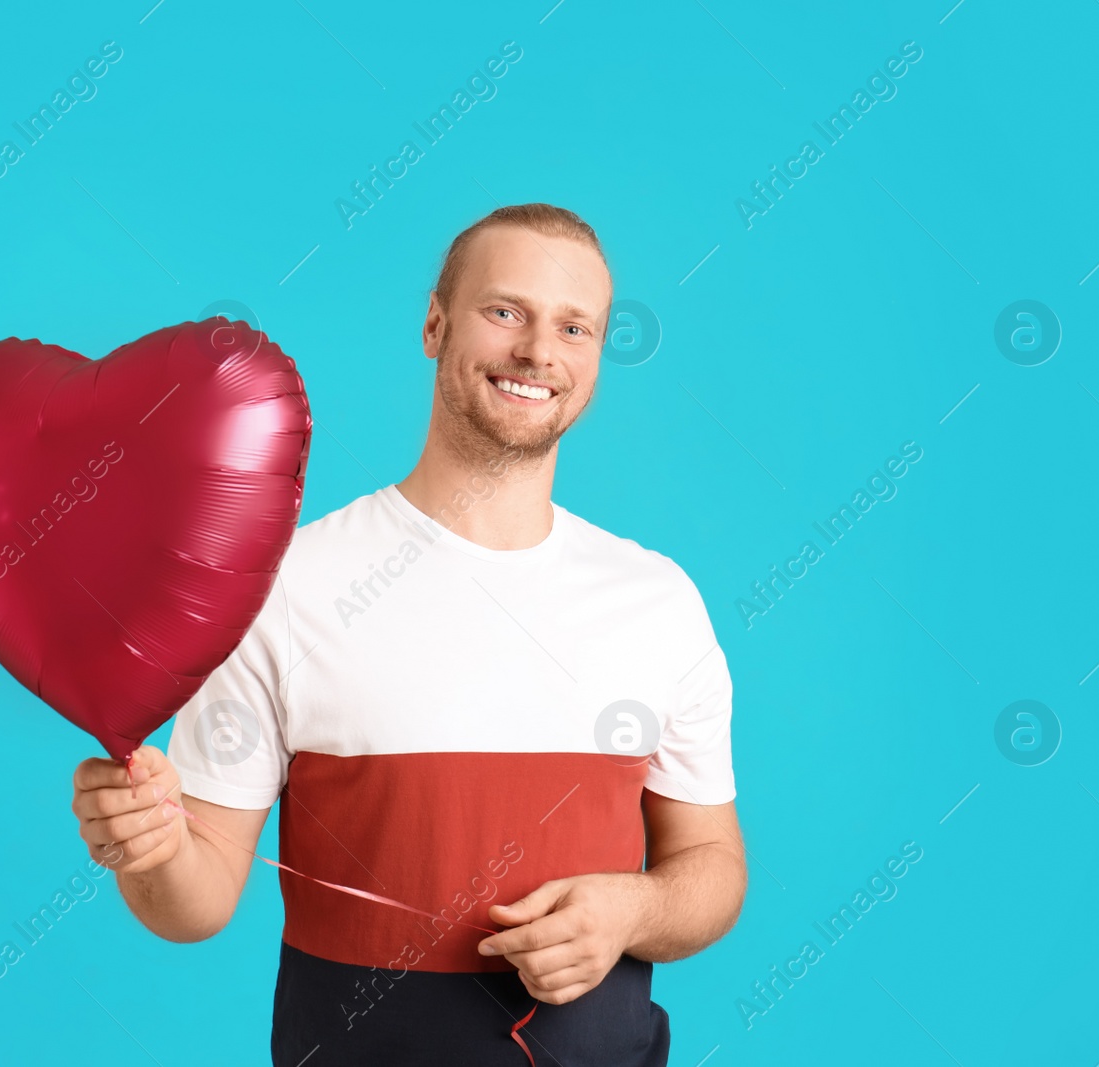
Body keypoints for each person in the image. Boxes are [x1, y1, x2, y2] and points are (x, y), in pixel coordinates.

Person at [70, 203, 747, 1065]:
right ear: (435, 324)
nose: (539, 352)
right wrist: (153, 847)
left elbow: (712, 867)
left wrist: (632, 912)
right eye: (505, 312)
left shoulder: (658, 601)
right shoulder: (286, 591)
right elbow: (193, 902)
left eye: (574, 327)